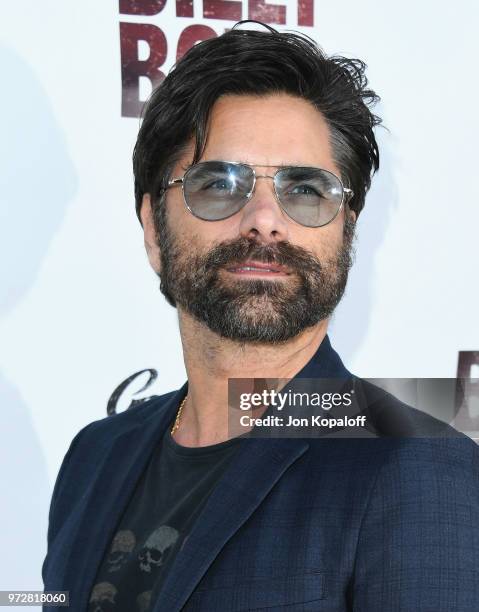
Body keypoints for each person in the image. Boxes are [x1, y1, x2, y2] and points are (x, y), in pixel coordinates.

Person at [42, 21, 479, 612]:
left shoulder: (417, 467)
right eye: (219, 184)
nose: (265, 220)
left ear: (346, 231)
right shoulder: (95, 458)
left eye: (306, 190)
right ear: (153, 229)